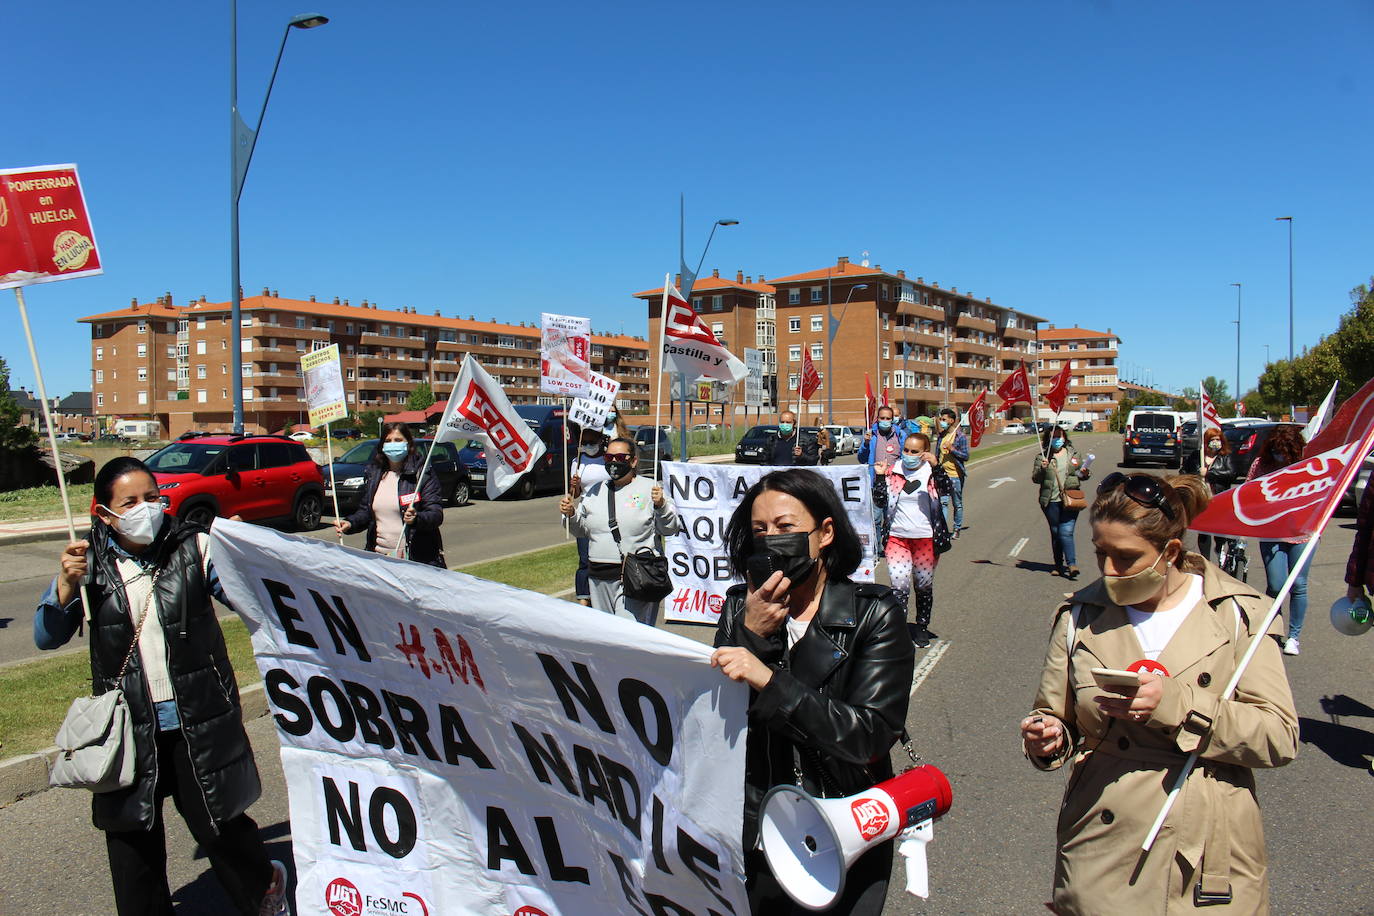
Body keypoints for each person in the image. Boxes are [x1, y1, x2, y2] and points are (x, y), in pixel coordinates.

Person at [1020, 471, 1298, 914]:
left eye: (1126, 557)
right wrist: (1047, 736)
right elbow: (1058, 717)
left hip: (1207, 850)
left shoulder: (1240, 614)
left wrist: (1177, 705)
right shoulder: (1080, 615)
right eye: (1100, 553)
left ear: (1169, 552)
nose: (1110, 570)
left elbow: (1279, 736)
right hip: (1103, 842)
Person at [34, 457, 289, 915]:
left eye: (151, 498)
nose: (144, 508)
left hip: (198, 718)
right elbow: (46, 636)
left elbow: (255, 601)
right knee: (132, 848)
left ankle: (264, 886)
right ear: (103, 513)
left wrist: (251, 557)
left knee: (221, 826)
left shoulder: (193, 547)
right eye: (129, 502)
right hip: (127, 729)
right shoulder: (87, 563)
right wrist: (64, 587)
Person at [711, 469, 915, 914]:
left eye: (785, 528)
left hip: (844, 827)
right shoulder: (737, 607)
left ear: (825, 533)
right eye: (760, 530)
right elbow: (719, 719)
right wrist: (753, 635)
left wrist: (769, 678)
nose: (771, 541)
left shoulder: (873, 615)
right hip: (757, 830)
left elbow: (867, 736)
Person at [561, 437, 680, 624]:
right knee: (608, 634)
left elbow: (670, 528)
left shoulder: (651, 489)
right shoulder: (594, 491)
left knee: (630, 633)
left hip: (636, 577)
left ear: (633, 461)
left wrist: (661, 505)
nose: (614, 462)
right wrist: (571, 514)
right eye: (609, 458)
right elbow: (582, 530)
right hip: (599, 576)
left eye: (620, 457)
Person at [873, 432, 950, 647]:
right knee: (899, 587)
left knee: (923, 585)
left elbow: (946, 490)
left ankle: (921, 627)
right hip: (897, 538)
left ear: (924, 452)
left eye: (914, 451)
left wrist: (936, 466)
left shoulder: (930, 472)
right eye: (906, 450)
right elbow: (879, 500)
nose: (908, 454)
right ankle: (899, 631)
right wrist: (880, 476)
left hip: (925, 539)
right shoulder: (893, 471)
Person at [334, 422, 445, 566]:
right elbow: (366, 512)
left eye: (398, 440)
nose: (393, 444)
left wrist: (416, 519)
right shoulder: (374, 474)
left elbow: (436, 515)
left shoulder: (422, 474)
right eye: (388, 441)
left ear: (408, 443)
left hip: (415, 559)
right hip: (380, 558)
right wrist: (350, 523)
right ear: (382, 446)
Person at [1245, 425, 1309, 655]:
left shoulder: (1306, 466)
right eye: (1275, 451)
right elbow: (1247, 492)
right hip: (1271, 533)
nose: (1279, 456)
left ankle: (1294, 636)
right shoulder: (1261, 464)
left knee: (1299, 584)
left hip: (1303, 533)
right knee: (1276, 585)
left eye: (1283, 452)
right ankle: (1275, 628)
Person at [1032, 424, 1091, 579]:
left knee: (1066, 531)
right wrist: (1043, 468)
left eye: (1060, 436)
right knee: (1056, 532)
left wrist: (1085, 473)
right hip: (1051, 500)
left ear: (1065, 437)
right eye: (1054, 437)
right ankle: (1058, 565)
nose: (1057, 439)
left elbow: (1080, 474)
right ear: (1049, 439)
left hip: (1071, 498)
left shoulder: (1074, 454)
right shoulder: (1042, 457)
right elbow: (1036, 479)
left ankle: (1071, 564)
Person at [1182, 427, 1239, 562]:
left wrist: (1209, 473)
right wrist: (1196, 475)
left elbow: (1231, 474)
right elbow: (1184, 472)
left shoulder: (1225, 457)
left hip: (1219, 498)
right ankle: (1205, 559)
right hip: (1202, 498)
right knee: (1204, 530)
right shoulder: (1197, 456)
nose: (1215, 442)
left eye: (1217, 440)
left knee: (1219, 529)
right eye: (1212, 439)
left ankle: (1220, 548)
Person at [569, 424, 612, 607]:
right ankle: (584, 598)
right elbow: (575, 494)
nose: (587, 445)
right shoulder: (578, 462)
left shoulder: (608, 460)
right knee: (585, 557)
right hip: (586, 513)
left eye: (591, 442)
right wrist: (575, 484)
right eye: (584, 442)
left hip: (608, 513)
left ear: (600, 440)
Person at [934, 407, 969, 538]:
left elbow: (965, 456)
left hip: (955, 475)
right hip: (942, 475)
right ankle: (943, 530)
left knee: (957, 503)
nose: (941, 421)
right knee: (942, 502)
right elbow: (938, 454)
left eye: (944, 419)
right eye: (940, 419)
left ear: (952, 420)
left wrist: (952, 449)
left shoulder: (960, 436)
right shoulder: (942, 436)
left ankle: (957, 528)